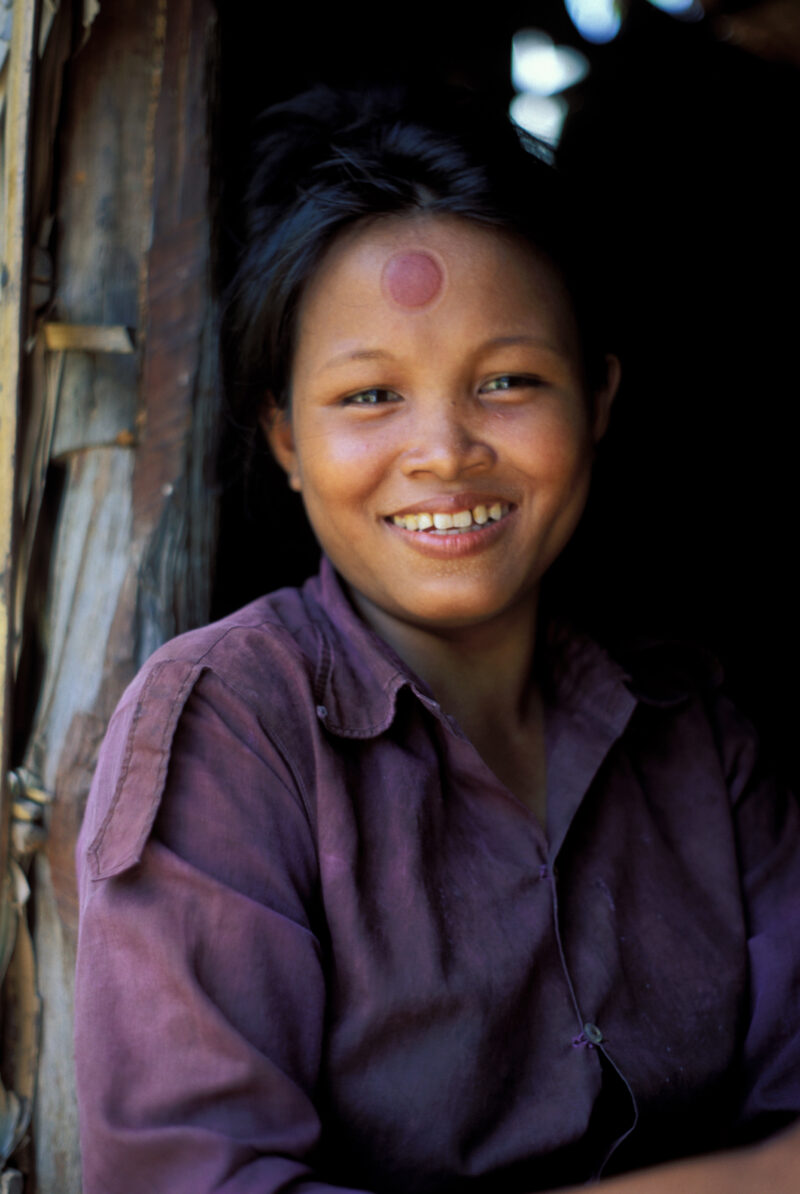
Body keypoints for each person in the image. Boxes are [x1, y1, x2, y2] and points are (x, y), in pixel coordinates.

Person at [74, 85, 800, 1193]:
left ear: (597, 399)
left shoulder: (694, 734)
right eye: (369, 396)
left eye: (507, 381)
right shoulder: (229, 731)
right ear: (282, 437)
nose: (443, 452)